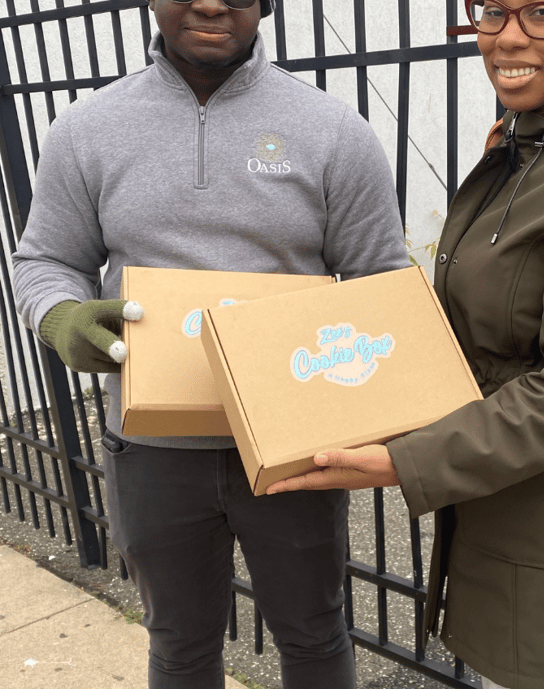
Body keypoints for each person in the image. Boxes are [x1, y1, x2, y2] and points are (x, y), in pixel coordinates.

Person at [266, 1, 544, 688]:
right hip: (514, 492)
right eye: (494, 11)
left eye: (541, 12)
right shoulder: (527, 143)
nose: (505, 37)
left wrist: (403, 460)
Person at [12, 0, 409, 687]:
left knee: (315, 635)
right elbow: (44, 259)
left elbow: (384, 282)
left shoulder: (334, 132)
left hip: (292, 453)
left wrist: (364, 383)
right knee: (178, 643)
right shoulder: (86, 130)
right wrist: (60, 317)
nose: (210, 2)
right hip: (149, 450)